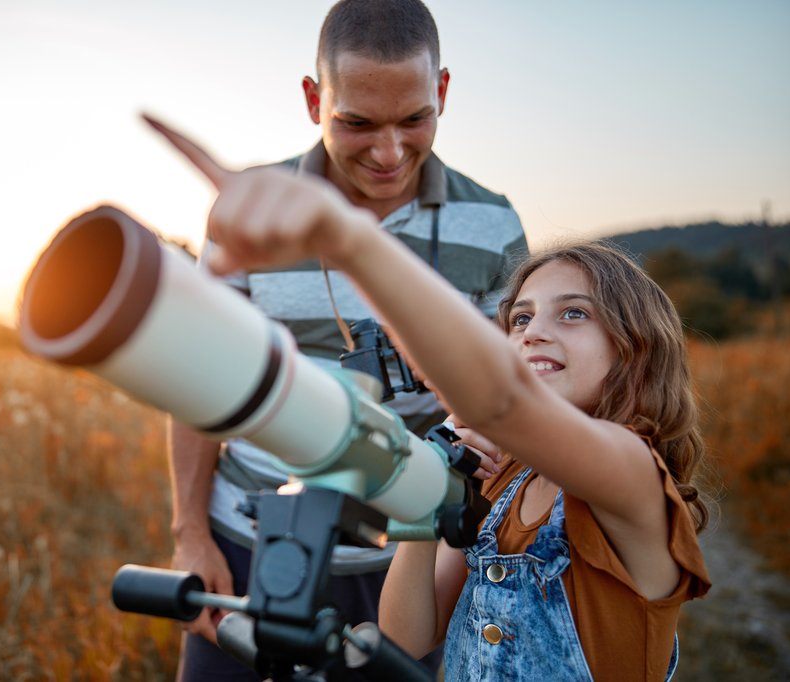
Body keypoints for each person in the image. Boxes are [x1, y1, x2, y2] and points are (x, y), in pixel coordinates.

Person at [143, 115, 713, 680]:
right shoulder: (503, 481)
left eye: (573, 313)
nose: (533, 332)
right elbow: (407, 634)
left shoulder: (633, 474)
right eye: (519, 318)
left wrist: (345, 240)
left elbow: (503, 401)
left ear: (635, 350)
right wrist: (431, 494)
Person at [166, 1, 528, 679]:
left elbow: (512, 404)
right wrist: (190, 535)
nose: (389, 153)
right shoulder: (249, 213)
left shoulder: (494, 225)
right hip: (250, 546)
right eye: (357, 123)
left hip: (415, 564)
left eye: (415, 119)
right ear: (313, 99)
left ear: (442, 90)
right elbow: (196, 385)